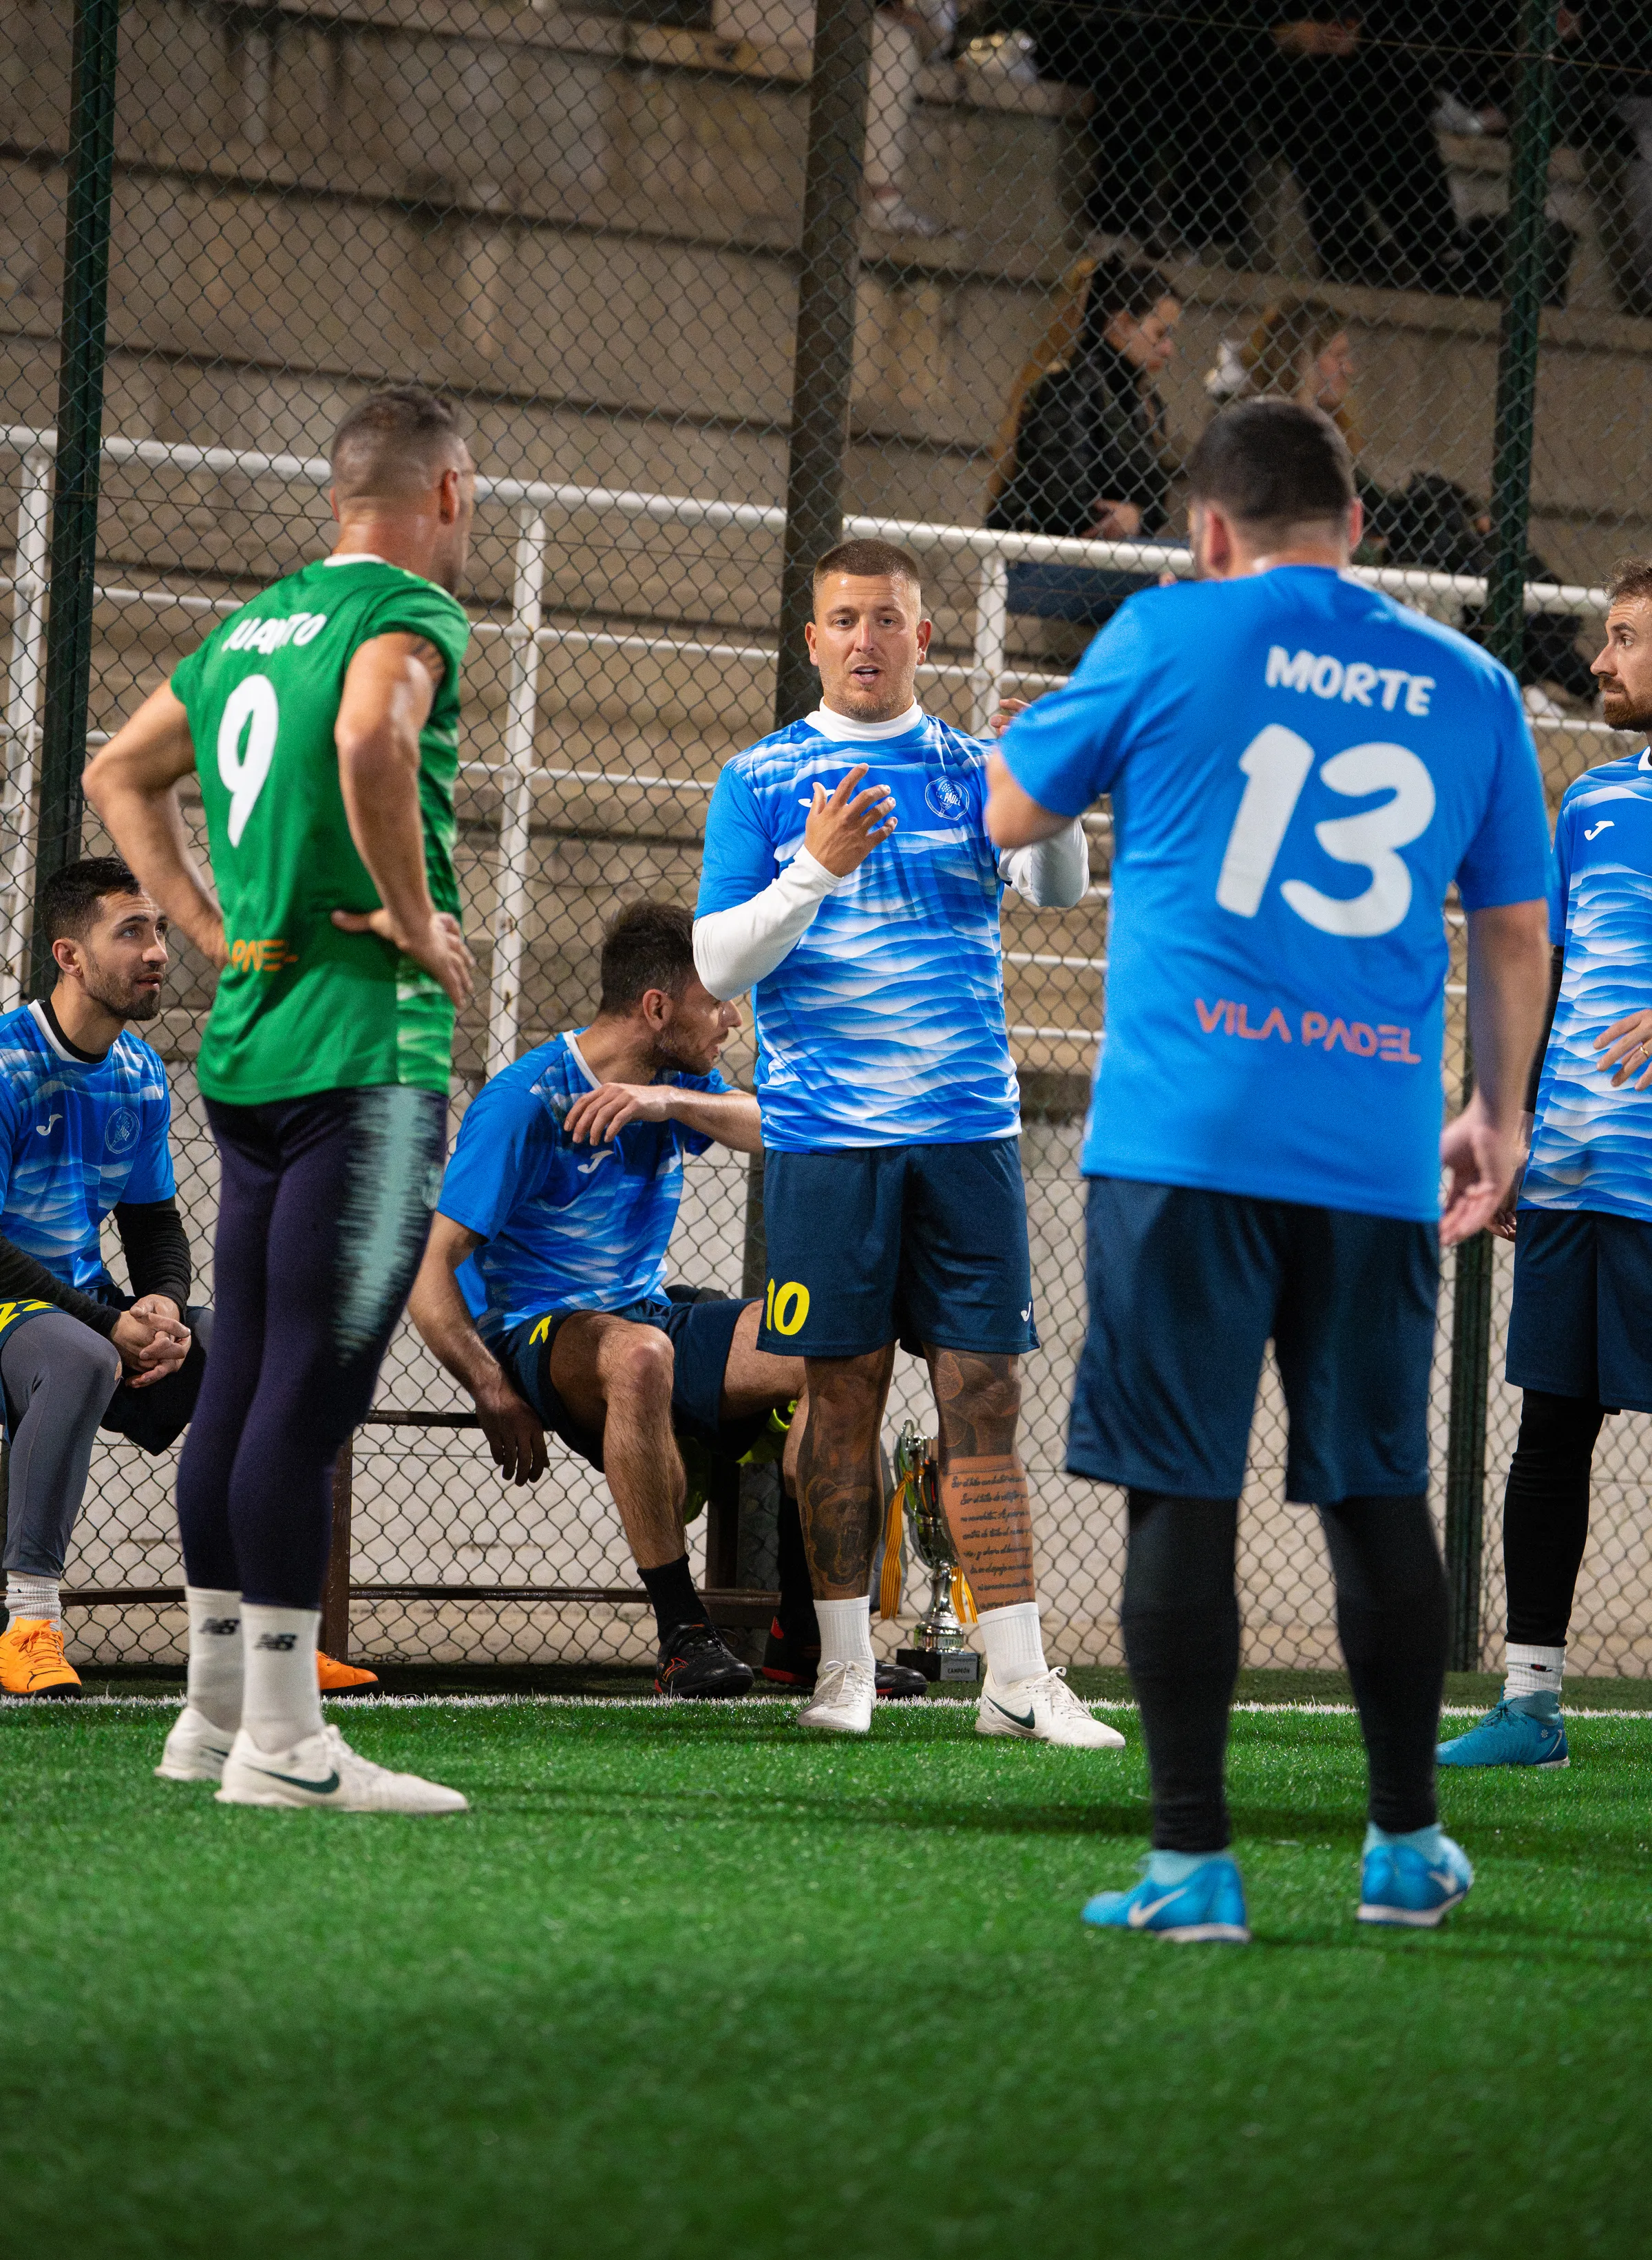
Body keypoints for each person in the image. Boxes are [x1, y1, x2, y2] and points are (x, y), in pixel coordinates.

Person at [986, 397, 1552, 1937]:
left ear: (1210, 532)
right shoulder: (1475, 682)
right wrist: (1496, 1114)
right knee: (1378, 1491)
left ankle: (1194, 1865)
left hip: (1183, 1140)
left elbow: (1008, 812)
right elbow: (1513, 929)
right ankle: (1402, 1851)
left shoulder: (1167, 637)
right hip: (1371, 1151)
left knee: (1182, 1491)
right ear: (1358, 527)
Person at [84, 383, 478, 1813]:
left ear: (337, 495)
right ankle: (289, 1745)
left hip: (248, 1052)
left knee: (242, 1381)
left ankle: (208, 1714)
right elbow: (375, 742)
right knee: (303, 1404)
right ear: (446, 493)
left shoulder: (252, 625)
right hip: (363, 1054)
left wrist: (196, 922)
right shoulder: (415, 619)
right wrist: (413, 912)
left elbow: (118, 772)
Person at [692, 535, 1122, 1749]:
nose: (867, 639)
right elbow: (720, 961)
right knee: (841, 1400)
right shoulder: (760, 778)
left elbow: (1055, 892)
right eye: (845, 620)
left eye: (888, 619)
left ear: (923, 637)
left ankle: (1018, 1676)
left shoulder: (974, 764)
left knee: (983, 1392)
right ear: (814, 639)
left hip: (968, 1137)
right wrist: (812, 875)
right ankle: (843, 1670)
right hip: (828, 1144)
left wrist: (1046, 785)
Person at [1440, 558, 1652, 1770]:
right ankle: (1531, 1702)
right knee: (1552, 1431)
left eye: (1625, 639)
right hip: (1577, 1171)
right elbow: (1553, 984)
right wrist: (1513, 1129)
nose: (1602, 662)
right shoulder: (1594, 805)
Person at [0, 858, 205, 1697]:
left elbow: (154, 1220)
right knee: (84, 1355)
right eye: (132, 931)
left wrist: (164, 1301)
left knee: (249, 1352)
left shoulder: (140, 1072)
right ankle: (30, 1624)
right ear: (70, 955)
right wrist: (102, 1321)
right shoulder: (9, 1063)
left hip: (78, 1311)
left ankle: (252, 1633)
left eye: (159, 929)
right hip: (16, 1307)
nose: (158, 950)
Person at [986, 259, 1184, 640]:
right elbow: (1062, 509)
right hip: (1043, 569)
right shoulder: (1067, 387)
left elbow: (1157, 503)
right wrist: (1126, 519)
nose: (1170, 349)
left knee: (1193, 564)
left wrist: (1135, 516)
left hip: (1105, 564)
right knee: (1192, 567)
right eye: (1161, 333)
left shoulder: (1144, 402)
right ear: (1122, 324)